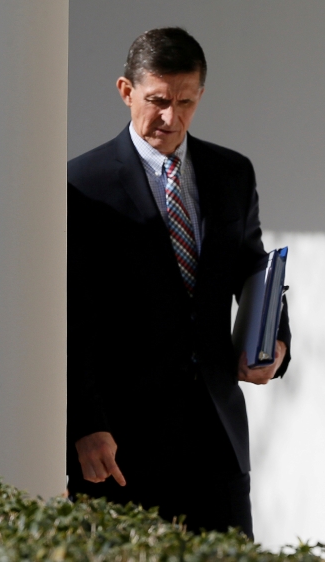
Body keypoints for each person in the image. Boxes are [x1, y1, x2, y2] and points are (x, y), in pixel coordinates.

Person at [66, 28, 291, 539]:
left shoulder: (231, 173)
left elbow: (252, 266)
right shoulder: (82, 184)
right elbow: (72, 315)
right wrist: (84, 425)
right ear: (126, 91)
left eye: (186, 102)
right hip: (122, 445)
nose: (171, 117)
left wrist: (275, 342)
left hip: (218, 438)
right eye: (158, 101)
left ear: (200, 95)